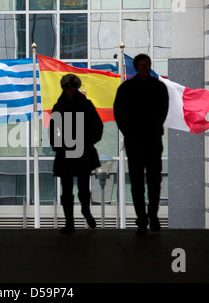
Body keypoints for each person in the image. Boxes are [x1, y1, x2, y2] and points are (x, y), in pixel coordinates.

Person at [113, 54, 169, 235]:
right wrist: (129, 133)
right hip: (135, 142)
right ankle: (142, 220)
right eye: (141, 65)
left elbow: (163, 111)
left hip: (153, 141)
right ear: (135, 67)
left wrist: (152, 128)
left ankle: (152, 215)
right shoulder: (126, 89)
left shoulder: (159, 88)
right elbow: (119, 113)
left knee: (155, 180)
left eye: (147, 65)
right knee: (137, 183)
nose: (145, 68)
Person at [49, 74, 103, 234]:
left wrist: (88, 142)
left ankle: (86, 211)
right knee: (66, 190)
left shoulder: (86, 105)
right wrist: (59, 147)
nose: (70, 90)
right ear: (64, 89)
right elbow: (53, 132)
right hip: (65, 153)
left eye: (72, 87)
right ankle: (69, 223)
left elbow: (98, 127)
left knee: (83, 188)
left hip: (83, 153)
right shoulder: (58, 107)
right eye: (67, 88)